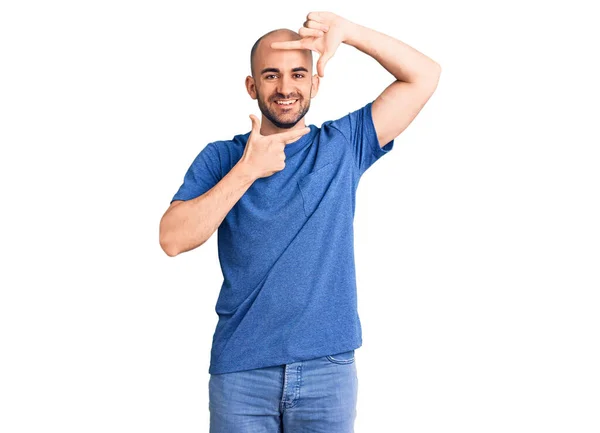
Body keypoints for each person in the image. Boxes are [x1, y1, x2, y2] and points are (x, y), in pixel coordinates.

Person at [159, 10, 440, 433]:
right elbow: (172, 239)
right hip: (242, 372)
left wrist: (350, 33)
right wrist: (247, 170)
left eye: (297, 74)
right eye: (271, 76)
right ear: (252, 86)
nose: (286, 88)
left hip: (327, 367)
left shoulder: (343, 145)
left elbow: (424, 76)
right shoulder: (221, 158)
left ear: (314, 81)